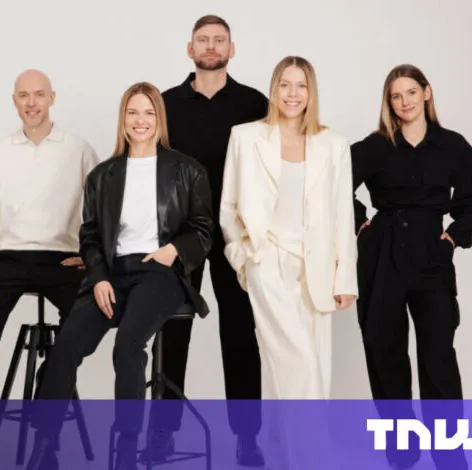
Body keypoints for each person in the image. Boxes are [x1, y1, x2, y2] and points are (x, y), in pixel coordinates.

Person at [25, 82, 214, 470]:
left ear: (159, 118)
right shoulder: (103, 175)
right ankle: (46, 446)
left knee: (127, 346)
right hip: (112, 275)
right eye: (132, 112)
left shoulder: (187, 170)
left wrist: (173, 251)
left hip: (158, 272)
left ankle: (126, 450)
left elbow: (203, 228)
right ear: (123, 119)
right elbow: (91, 235)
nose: (140, 120)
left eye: (148, 112)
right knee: (66, 346)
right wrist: (98, 277)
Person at [219, 55, 357, 469]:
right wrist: (245, 258)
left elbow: (342, 214)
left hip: (317, 268)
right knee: (300, 360)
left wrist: (345, 278)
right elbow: (229, 207)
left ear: (311, 92)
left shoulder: (333, 144)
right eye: (284, 84)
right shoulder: (246, 137)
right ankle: (314, 458)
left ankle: (285, 454)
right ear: (273, 89)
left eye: (301, 85)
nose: (292, 94)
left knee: (307, 366)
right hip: (268, 261)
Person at [0, 68, 99, 465]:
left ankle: (45, 431)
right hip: (8, 257)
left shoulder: (79, 149)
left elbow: (101, 208)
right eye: (24, 95)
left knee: (81, 327)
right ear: (14, 101)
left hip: (63, 257)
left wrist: (91, 256)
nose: (32, 102)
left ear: (52, 98)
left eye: (39, 94)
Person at [149, 14, 269, 466]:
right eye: (203, 40)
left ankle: (247, 437)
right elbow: (148, 166)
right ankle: (162, 432)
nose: (212, 46)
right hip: (180, 236)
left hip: (237, 233)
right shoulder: (165, 103)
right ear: (190, 49)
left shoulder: (255, 103)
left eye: (220, 40)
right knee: (171, 330)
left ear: (231, 49)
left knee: (240, 334)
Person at [352, 64, 472, 470]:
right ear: (388, 102)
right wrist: (359, 223)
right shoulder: (375, 146)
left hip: (431, 255)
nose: (404, 102)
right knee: (384, 353)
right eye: (396, 96)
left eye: (410, 92)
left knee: (438, 356)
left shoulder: (452, 145)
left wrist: (454, 236)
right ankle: (401, 454)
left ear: (426, 92)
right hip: (382, 254)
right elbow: (329, 183)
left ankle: (450, 457)